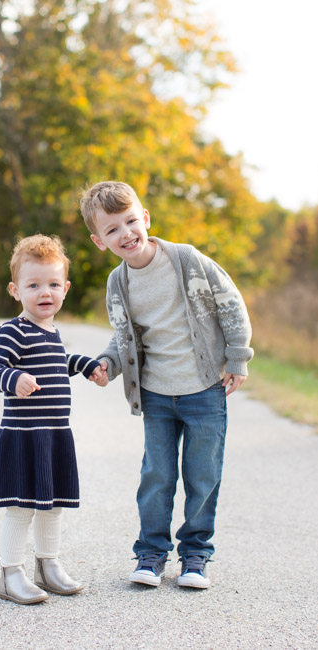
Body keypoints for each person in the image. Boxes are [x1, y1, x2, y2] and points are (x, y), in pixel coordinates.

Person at [80, 181, 253, 589]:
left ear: (145, 218)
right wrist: (107, 364)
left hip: (204, 390)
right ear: (99, 241)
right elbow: (122, 338)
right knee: (156, 474)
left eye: (129, 221)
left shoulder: (186, 260)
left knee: (202, 474)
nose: (125, 233)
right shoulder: (117, 284)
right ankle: (151, 555)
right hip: (156, 394)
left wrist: (237, 356)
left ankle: (195, 556)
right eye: (112, 230)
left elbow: (231, 303)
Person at [0, 234, 108, 605]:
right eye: (33, 285)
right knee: (21, 508)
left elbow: (55, 364)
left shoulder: (51, 332)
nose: (44, 292)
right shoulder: (12, 331)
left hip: (53, 435)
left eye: (52, 284)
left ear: (65, 288)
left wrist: (82, 365)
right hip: (23, 435)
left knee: (53, 506)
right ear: (15, 290)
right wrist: (12, 378)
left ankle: (48, 566)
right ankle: (11, 574)